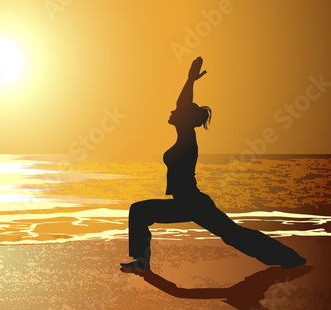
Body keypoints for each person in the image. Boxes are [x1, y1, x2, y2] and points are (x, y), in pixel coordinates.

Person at [120, 57, 306, 271]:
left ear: (185, 118)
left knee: (233, 235)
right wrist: (190, 81)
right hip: (186, 203)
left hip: (192, 203)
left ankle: (288, 257)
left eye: (177, 112)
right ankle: (142, 261)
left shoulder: (187, 137)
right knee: (140, 212)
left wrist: (190, 81)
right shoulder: (185, 136)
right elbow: (181, 108)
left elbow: (182, 105)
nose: (171, 112)